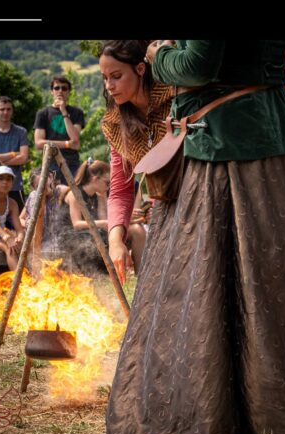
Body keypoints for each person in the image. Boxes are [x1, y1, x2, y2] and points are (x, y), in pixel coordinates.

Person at [104, 40, 285, 434]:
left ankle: (234, 410)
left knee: (209, 279)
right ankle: (284, 407)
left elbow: (199, 64)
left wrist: (157, 54)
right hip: (268, 135)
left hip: (228, 148)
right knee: (269, 278)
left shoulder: (156, 64)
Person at [98, 40, 173, 284]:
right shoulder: (114, 124)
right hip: (164, 215)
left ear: (141, 69)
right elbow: (120, 190)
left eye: (116, 76)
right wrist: (115, 241)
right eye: (104, 78)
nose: (109, 86)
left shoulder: (177, 96)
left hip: (201, 203)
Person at [61, 158, 145, 274]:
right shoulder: (75, 194)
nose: (109, 187)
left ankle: (140, 272)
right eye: (107, 183)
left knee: (136, 229)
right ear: (95, 179)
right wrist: (104, 223)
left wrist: (129, 219)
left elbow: (103, 217)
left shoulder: (99, 194)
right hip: (73, 237)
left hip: (93, 233)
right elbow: (76, 224)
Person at [34, 76, 86, 185]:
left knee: (72, 197)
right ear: (51, 92)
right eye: (57, 88)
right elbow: (39, 143)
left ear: (69, 92)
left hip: (71, 163)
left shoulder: (77, 112)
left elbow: (75, 140)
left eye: (64, 88)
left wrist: (63, 112)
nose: (60, 91)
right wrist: (67, 144)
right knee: (52, 199)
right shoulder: (43, 113)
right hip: (50, 163)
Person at [19, 167, 68, 252]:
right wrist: (28, 223)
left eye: (45, 184)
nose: (43, 188)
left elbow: (70, 190)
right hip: (39, 241)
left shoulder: (60, 192)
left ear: (51, 179)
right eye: (38, 186)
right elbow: (20, 219)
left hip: (59, 240)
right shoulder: (34, 196)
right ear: (34, 187)